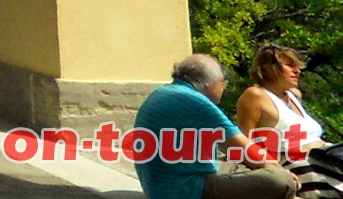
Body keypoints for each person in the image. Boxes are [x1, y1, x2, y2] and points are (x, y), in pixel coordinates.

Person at [133, 54, 298, 199]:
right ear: (208, 83)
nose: (223, 87)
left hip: (162, 186)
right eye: (222, 82)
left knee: (242, 168)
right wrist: (284, 175)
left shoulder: (166, 92)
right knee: (280, 181)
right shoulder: (194, 102)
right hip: (188, 190)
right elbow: (245, 149)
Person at [237, 44, 339, 198]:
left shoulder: (293, 95)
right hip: (298, 166)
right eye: (290, 66)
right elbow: (244, 143)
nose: (297, 71)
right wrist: (275, 171)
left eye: (297, 66)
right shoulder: (255, 96)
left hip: (328, 157)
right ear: (270, 68)